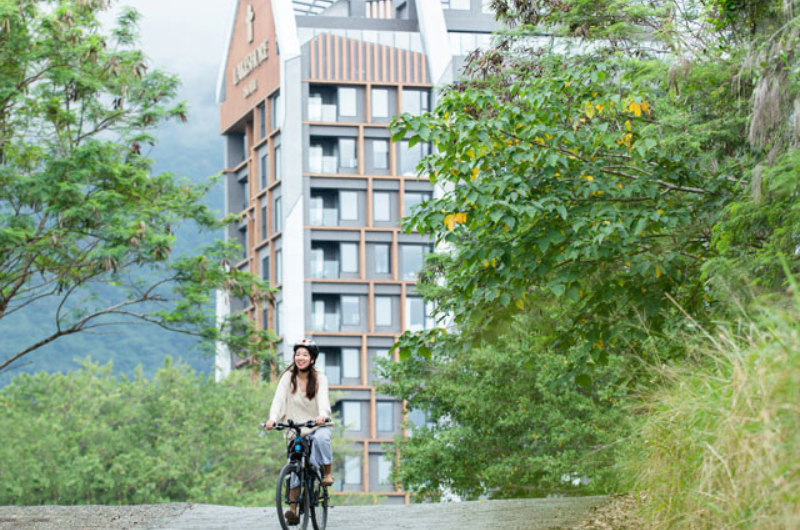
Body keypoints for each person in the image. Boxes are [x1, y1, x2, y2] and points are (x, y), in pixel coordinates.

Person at [265, 338, 333, 525]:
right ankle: (293, 510)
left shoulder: (320, 377)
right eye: (297, 354)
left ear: (312, 359)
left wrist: (322, 415)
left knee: (321, 440)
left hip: (317, 424)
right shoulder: (288, 377)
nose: (300, 358)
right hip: (295, 427)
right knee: (295, 461)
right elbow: (278, 400)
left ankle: (327, 472)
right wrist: (273, 418)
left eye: (305, 355)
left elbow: (323, 400)